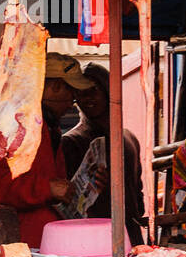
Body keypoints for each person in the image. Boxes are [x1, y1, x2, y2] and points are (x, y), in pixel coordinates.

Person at [0, 51, 92, 248]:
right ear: (55, 87)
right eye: (71, 93)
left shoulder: (49, 126)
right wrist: (47, 189)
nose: (72, 101)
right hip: (11, 241)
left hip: (40, 238)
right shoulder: (8, 121)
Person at [60, 62, 146, 246]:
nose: (87, 97)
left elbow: (138, 193)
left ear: (109, 91)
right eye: (81, 91)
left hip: (131, 235)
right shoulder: (71, 142)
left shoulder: (128, 139)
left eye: (94, 89)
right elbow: (65, 203)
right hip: (93, 241)